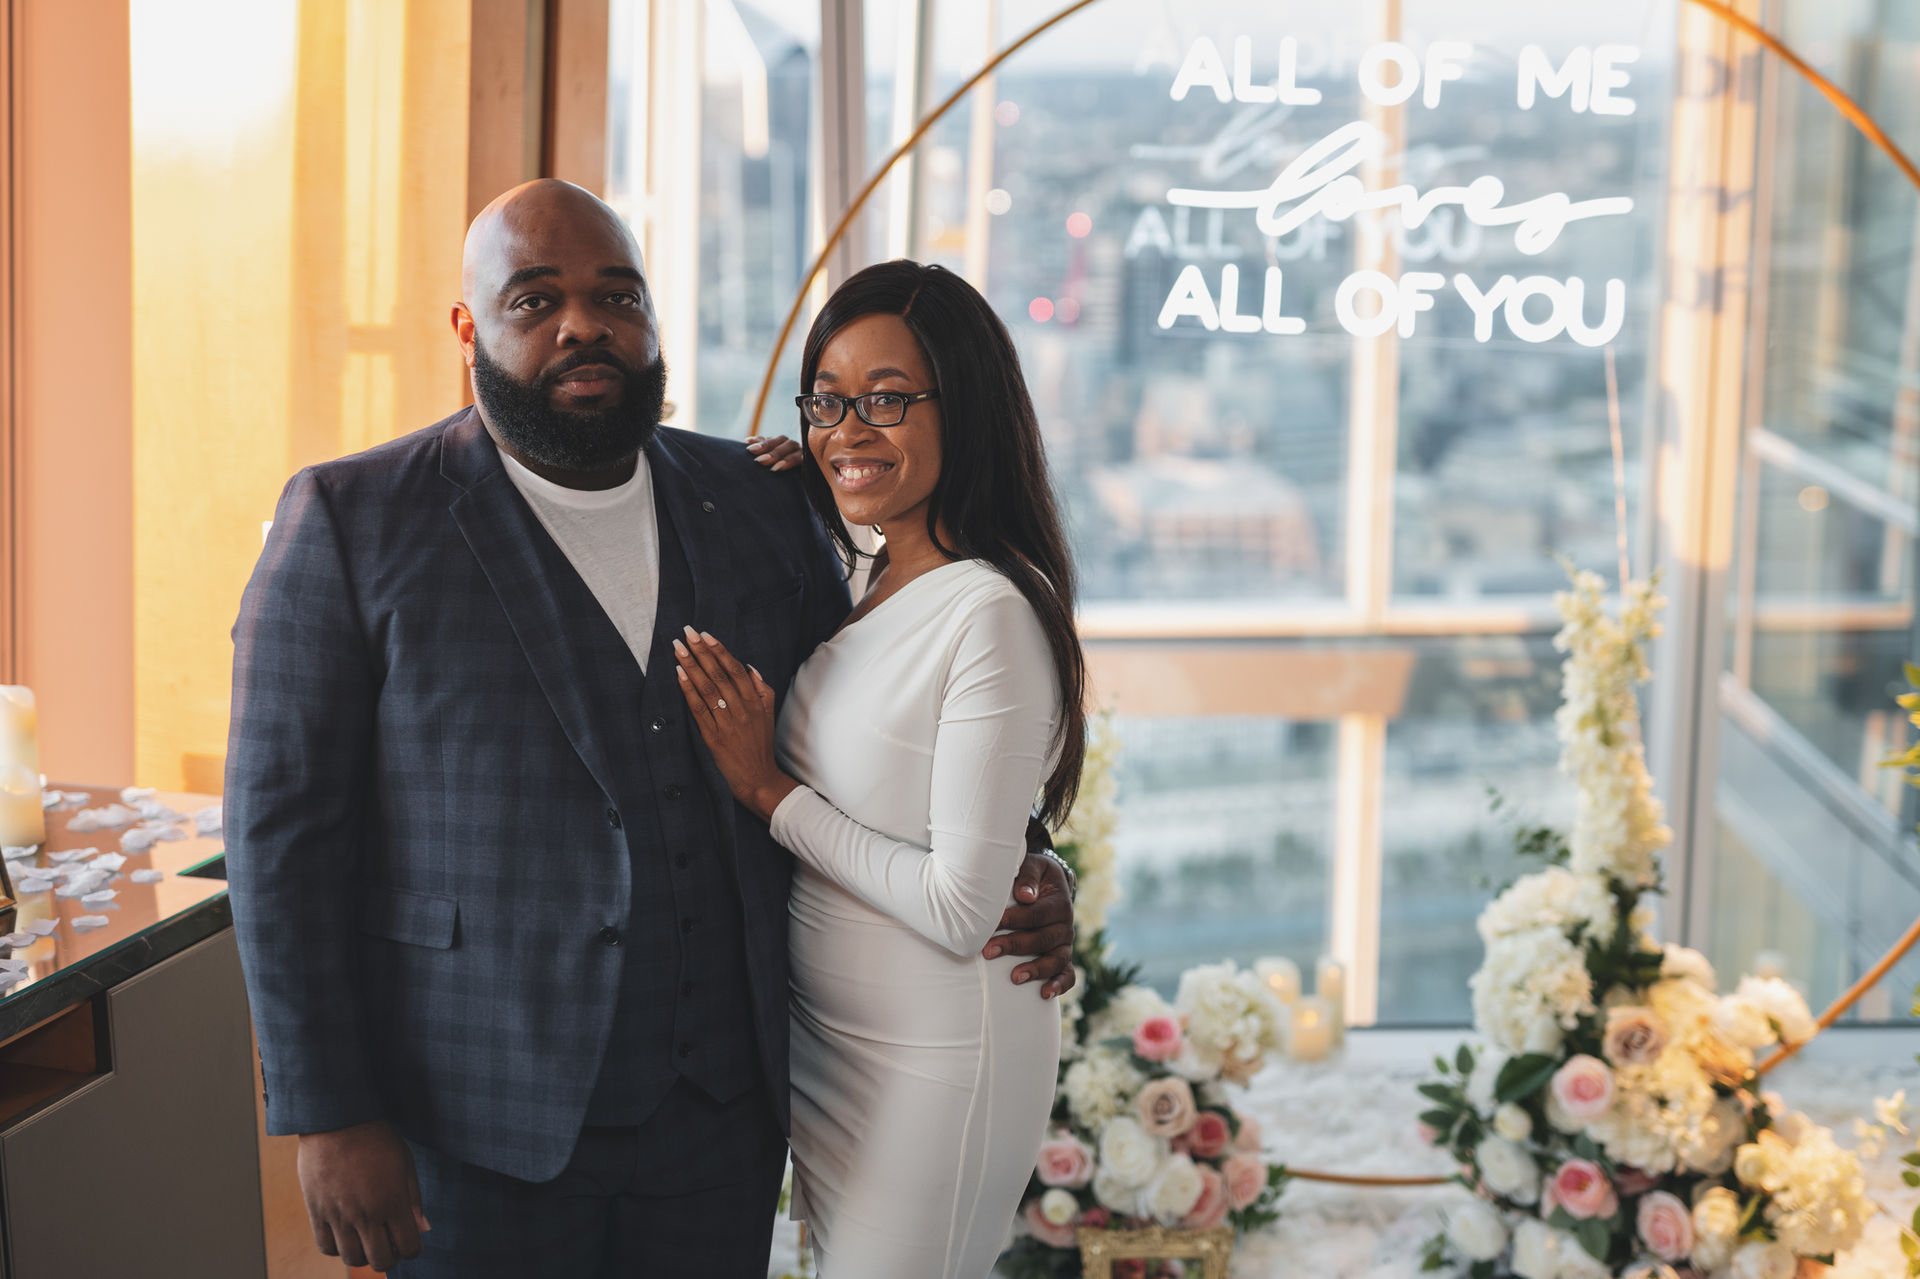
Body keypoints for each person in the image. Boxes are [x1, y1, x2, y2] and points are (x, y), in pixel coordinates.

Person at [223, 180, 1076, 1278]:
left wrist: (1025, 862)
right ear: (468, 327)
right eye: (535, 299)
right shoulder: (352, 518)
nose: (584, 323)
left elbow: (878, 716)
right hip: (478, 1122)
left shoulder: (761, 501)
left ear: (653, 319)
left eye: (616, 294)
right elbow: (281, 839)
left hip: (720, 1125)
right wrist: (329, 1111)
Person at [675, 259, 1088, 1278]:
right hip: (830, 1050)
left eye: (888, 400)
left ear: (968, 407)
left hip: (934, 1062)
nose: (849, 429)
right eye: (829, 401)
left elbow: (960, 902)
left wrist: (771, 791)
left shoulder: (987, 611)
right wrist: (802, 491)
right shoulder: (859, 570)